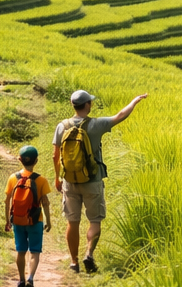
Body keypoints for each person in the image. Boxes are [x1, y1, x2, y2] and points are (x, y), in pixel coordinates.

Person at [53, 89, 147, 274]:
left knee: (72, 222)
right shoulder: (96, 124)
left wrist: (57, 178)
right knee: (95, 220)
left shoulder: (61, 126)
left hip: (70, 181)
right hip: (92, 180)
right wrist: (134, 101)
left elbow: (55, 155)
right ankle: (89, 253)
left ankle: (74, 262)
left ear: (73, 105)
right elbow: (120, 115)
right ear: (88, 105)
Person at [3, 144, 52, 287]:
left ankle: (21, 280)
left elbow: (7, 201)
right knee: (35, 251)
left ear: (20, 159)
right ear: (36, 160)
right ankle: (31, 278)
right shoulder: (41, 180)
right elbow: (45, 202)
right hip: (35, 220)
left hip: (18, 220)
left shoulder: (13, 178)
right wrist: (48, 221)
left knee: (21, 251)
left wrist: (8, 220)